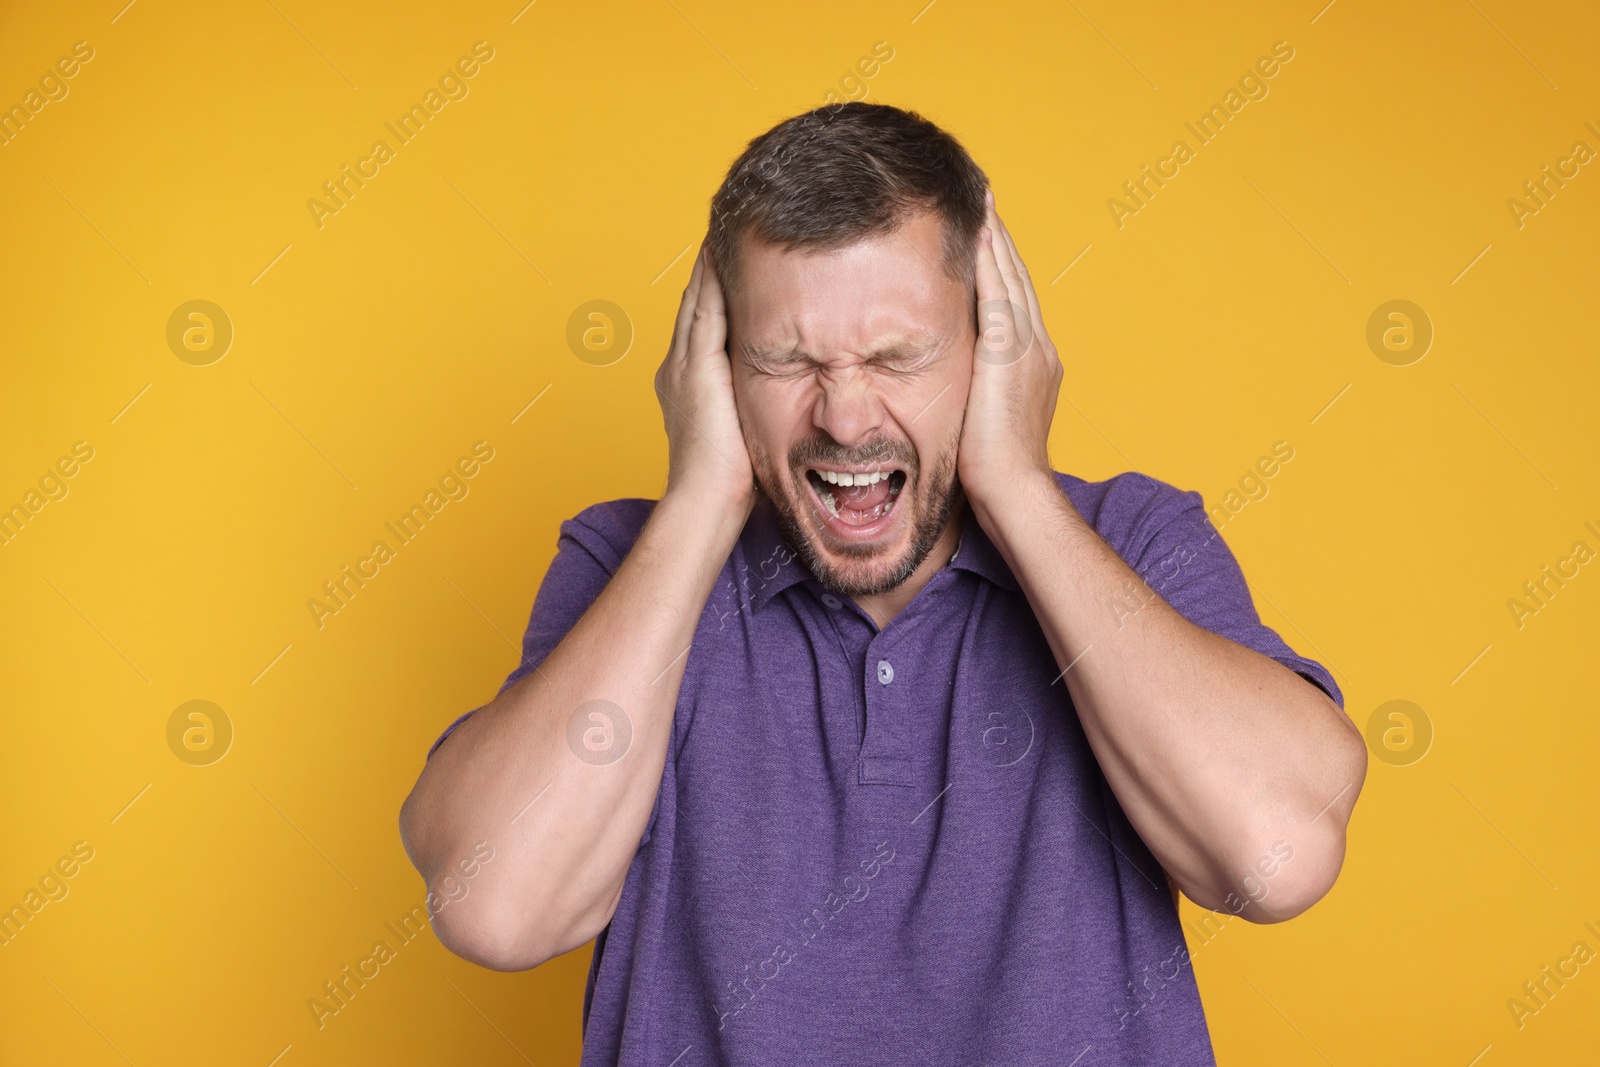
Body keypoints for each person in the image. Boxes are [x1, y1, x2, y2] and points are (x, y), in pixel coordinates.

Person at [399, 101, 1366, 1065]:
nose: (846, 415)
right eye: (786, 359)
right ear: (716, 363)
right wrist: (698, 502)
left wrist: (1020, 491)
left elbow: (1274, 858)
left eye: (899, 356)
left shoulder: (1129, 540)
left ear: (995, 348)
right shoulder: (627, 566)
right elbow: (496, 906)